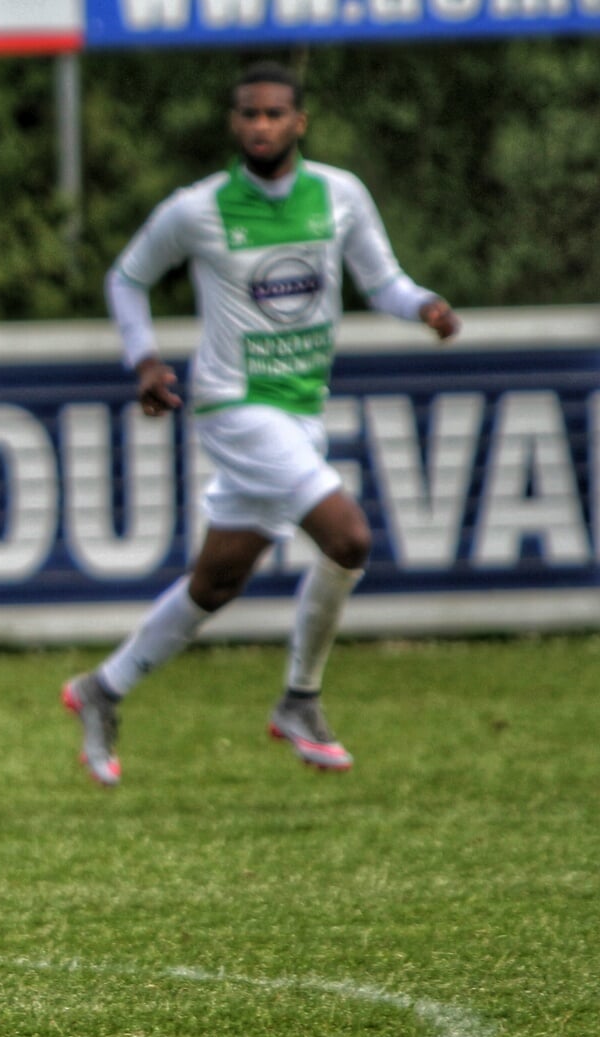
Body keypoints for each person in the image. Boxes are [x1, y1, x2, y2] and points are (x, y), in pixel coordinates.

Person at [62, 62, 460, 787]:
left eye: (275, 114)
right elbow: (128, 277)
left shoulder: (338, 195)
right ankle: (300, 699)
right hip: (234, 404)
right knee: (349, 536)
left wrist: (426, 306)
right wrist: (145, 361)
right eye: (249, 114)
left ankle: (103, 689)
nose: (261, 125)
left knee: (217, 581)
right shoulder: (200, 208)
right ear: (233, 124)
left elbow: (384, 281)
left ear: (299, 122)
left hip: (302, 408)